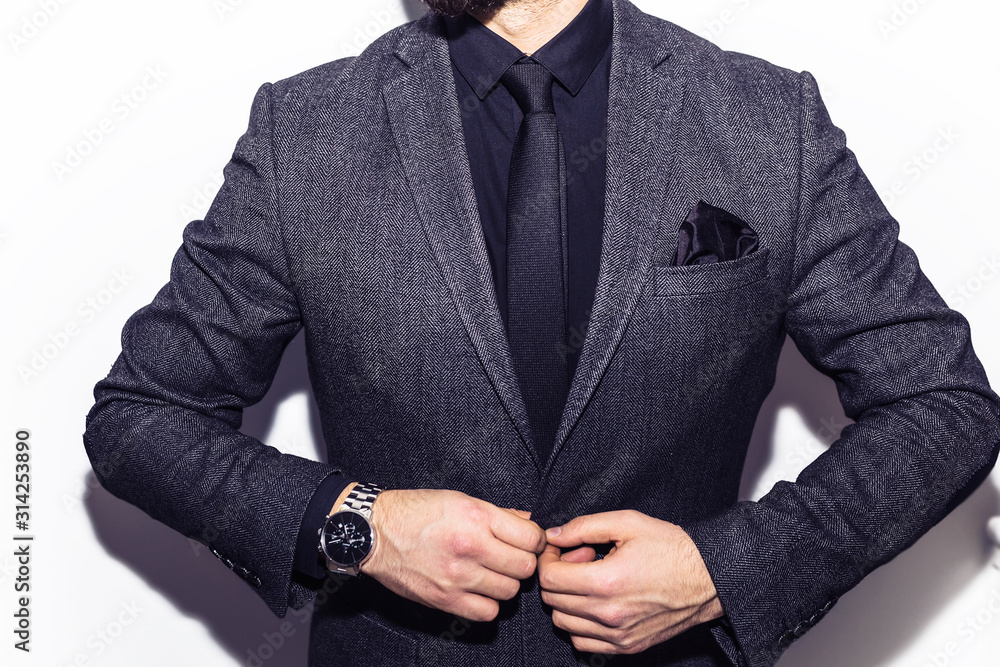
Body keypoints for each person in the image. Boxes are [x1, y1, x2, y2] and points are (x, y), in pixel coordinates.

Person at [82, 0, 1000, 665]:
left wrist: (725, 569)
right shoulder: (307, 132)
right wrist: (358, 524)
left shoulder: (766, 121)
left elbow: (943, 403)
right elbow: (141, 416)